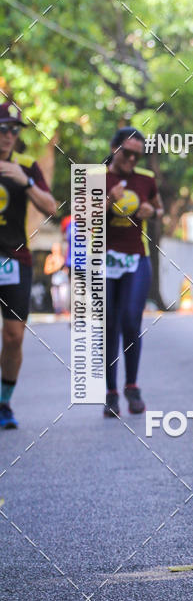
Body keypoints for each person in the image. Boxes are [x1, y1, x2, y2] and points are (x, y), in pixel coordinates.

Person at [0, 101, 57, 428]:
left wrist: (25, 182)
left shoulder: (26, 165)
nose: (8, 136)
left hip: (14, 259)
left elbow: (51, 207)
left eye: (13, 130)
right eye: (3, 129)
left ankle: (4, 403)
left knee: (13, 337)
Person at [104, 127, 163, 418]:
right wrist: (107, 201)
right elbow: (82, 218)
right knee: (110, 324)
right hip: (103, 259)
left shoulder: (146, 179)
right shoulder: (95, 178)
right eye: (126, 152)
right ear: (113, 148)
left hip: (136, 258)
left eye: (136, 155)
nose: (130, 159)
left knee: (130, 319)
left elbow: (158, 208)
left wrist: (152, 211)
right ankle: (111, 392)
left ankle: (132, 385)